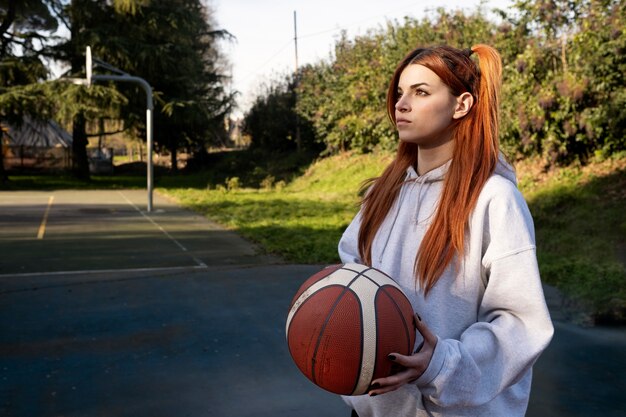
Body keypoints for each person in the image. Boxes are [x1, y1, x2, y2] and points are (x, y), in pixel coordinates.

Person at [338, 44, 554, 417]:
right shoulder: (382, 194)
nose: (400, 105)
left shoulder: (494, 199)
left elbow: (520, 323)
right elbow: (352, 276)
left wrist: (441, 364)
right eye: (400, 93)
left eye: (421, 92)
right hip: (374, 409)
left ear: (462, 104)